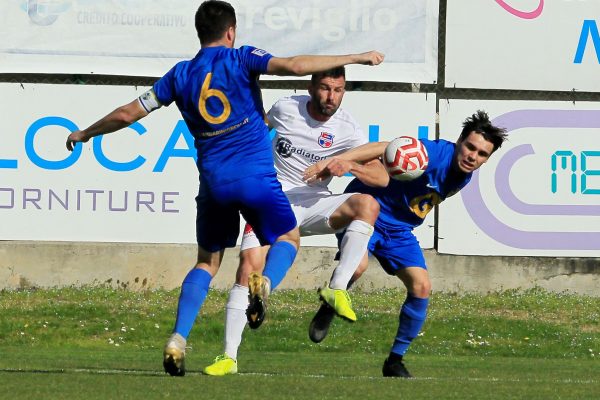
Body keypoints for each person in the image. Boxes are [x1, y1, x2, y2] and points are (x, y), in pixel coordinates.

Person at [64, 0, 384, 377]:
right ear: (231, 31)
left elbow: (127, 113)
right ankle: (266, 282)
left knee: (207, 262)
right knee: (288, 236)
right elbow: (295, 67)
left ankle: (178, 338)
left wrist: (85, 132)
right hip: (255, 181)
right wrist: (360, 57)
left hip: (213, 184)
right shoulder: (242, 58)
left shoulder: (179, 75)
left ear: (199, 32)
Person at [203, 67, 384, 376]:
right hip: (274, 198)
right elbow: (255, 131)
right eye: (326, 88)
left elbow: (381, 177)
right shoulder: (286, 107)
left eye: (338, 90)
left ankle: (337, 289)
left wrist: (347, 164)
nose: (331, 97)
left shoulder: (348, 129)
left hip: (314, 203)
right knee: (248, 268)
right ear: (312, 87)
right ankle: (228, 357)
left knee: (367, 203)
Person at [303, 110, 507, 378]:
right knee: (358, 267)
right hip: (367, 209)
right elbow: (384, 147)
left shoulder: (465, 174)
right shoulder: (435, 152)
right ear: (459, 141)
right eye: (470, 147)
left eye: (482, 154)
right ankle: (330, 305)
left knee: (422, 287)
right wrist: (337, 160)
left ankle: (395, 361)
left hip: (400, 230)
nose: (473, 156)